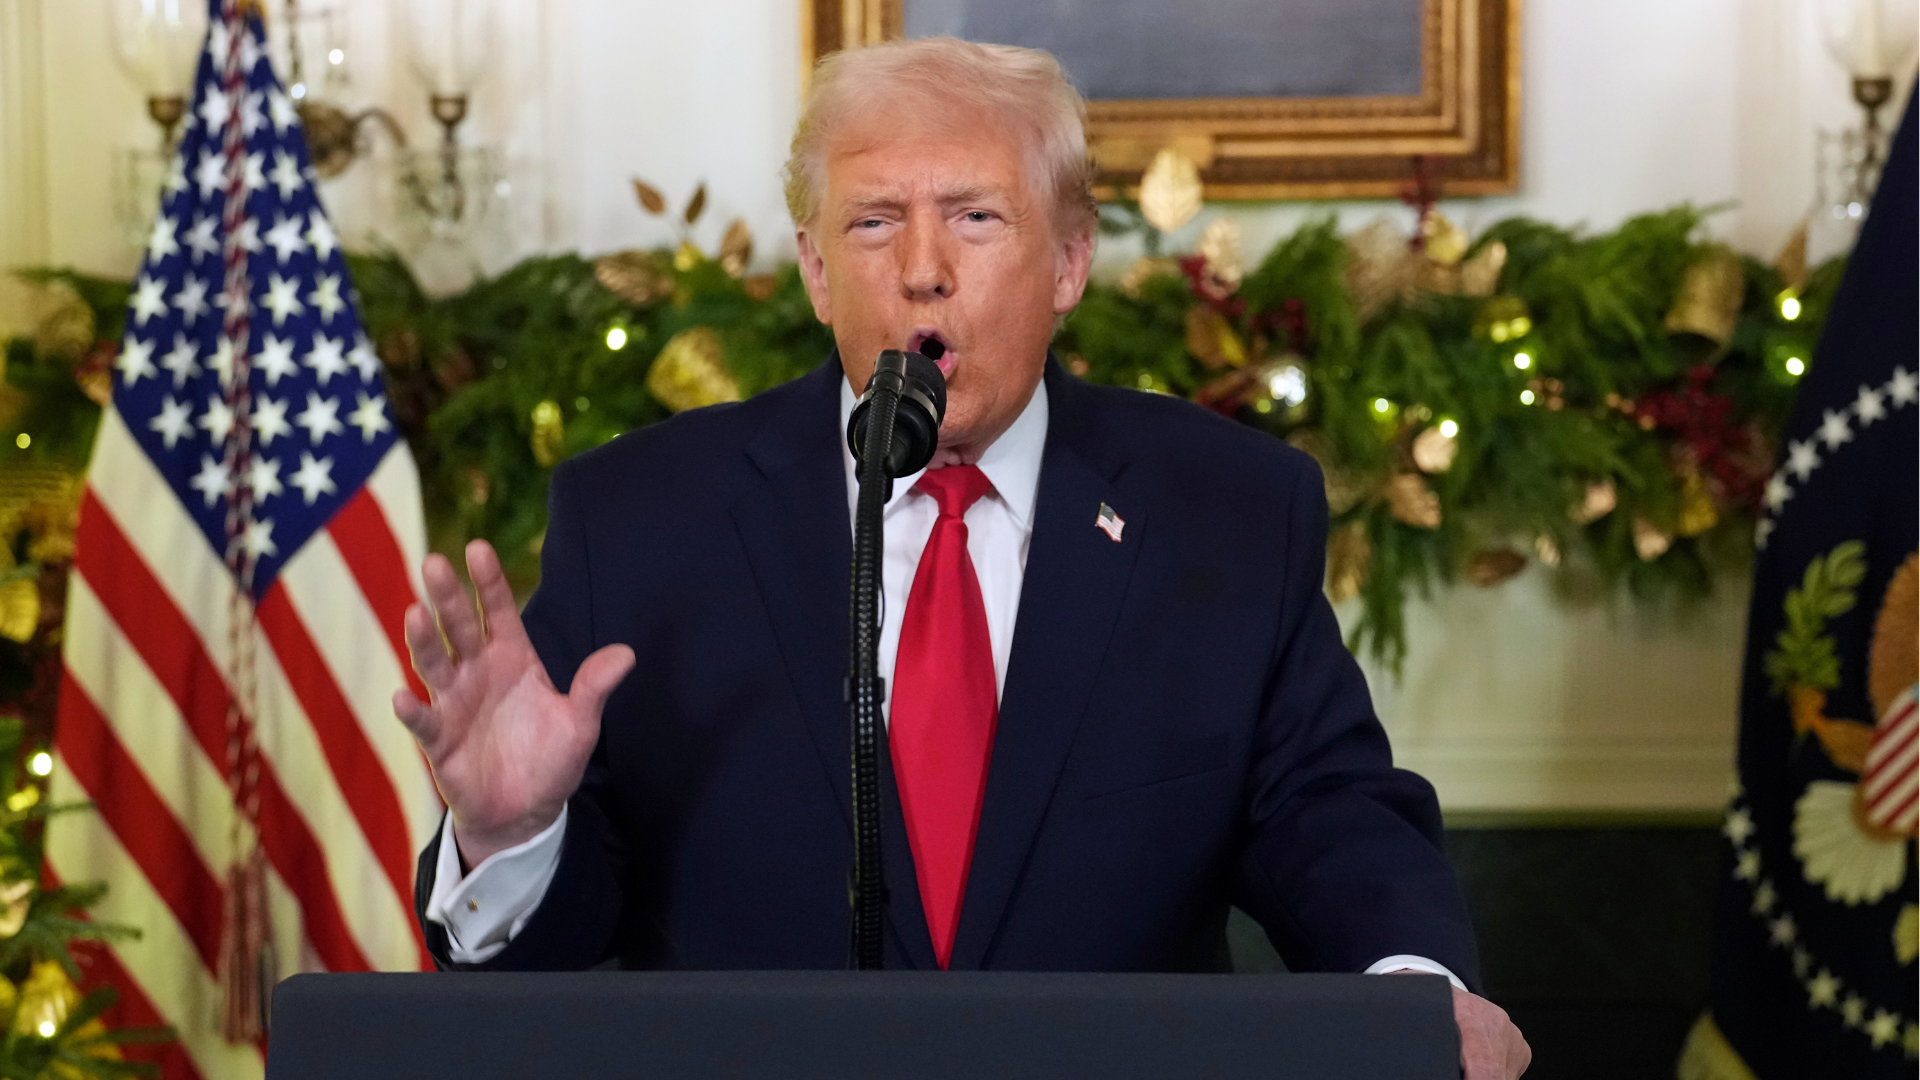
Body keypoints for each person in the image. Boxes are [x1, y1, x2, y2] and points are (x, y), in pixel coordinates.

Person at [395, 36, 1530, 1079]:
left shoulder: (1226, 508)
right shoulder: (642, 518)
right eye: (873, 223)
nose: (923, 269)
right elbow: (551, 954)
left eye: (976, 217)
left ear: (1070, 261)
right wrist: (509, 836)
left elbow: (1328, 816)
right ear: (816, 271)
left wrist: (1414, 998)